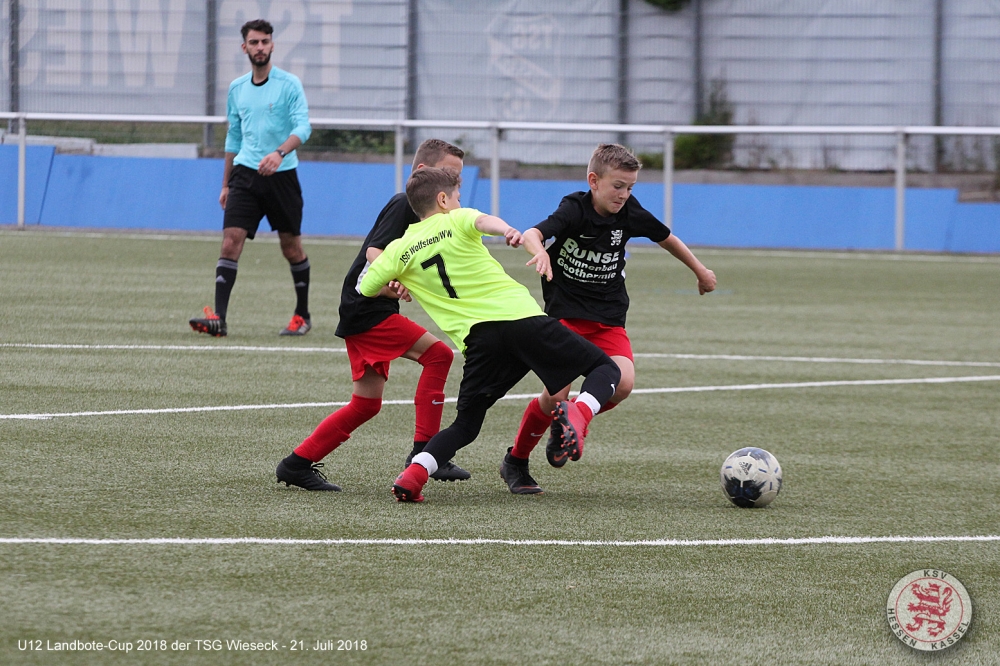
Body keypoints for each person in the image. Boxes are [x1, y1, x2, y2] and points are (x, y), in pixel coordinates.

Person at [359, 167, 622, 503]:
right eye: (456, 196)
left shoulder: (399, 249)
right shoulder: (455, 219)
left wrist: (395, 284)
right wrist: (507, 230)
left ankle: (414, 474)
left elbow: (366, 287)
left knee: (465, 426)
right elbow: (484, 222)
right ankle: (580, 411)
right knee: (605, 369)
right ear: (443, 200)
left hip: (479, 342)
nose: (459, 201)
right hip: (521, 319)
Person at [503, 143, 717, 494]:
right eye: (618, 186)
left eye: (630, 187)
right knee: (556, 395)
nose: (624, 194)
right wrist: (539, 251)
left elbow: (667, 238)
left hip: (608, 317)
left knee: (625, 383)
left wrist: (701, 271)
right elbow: (533, 233)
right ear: (594, 181)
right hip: (565, 316)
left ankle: (572, 420)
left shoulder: (629, 212)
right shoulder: (574, 209)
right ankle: (516, 460)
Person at [273, 140, 470, 491]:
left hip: (366, 307)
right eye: (449, 174)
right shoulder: (405, 203)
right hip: (366, 307)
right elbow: (374, 253)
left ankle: (295, 464)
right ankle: (425, 454)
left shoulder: (433, 217)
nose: (456, 183)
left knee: (366, 404)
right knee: (439, 356)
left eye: (458, 177)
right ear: (423, 172)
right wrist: (393, 280)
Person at [189, 18, 313, 338]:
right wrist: (225, 184)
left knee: (291, 247)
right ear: (244, 47)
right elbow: (234, 137)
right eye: (254, 42)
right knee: (230, 241)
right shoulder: (237, 88)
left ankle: (302, 315)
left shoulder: (289, 84)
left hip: (282, 175)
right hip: (245, 175)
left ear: (272, 45)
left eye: (265, 42)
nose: (260, 47)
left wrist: (279, 153)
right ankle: (219, 319)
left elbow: (303, 128)